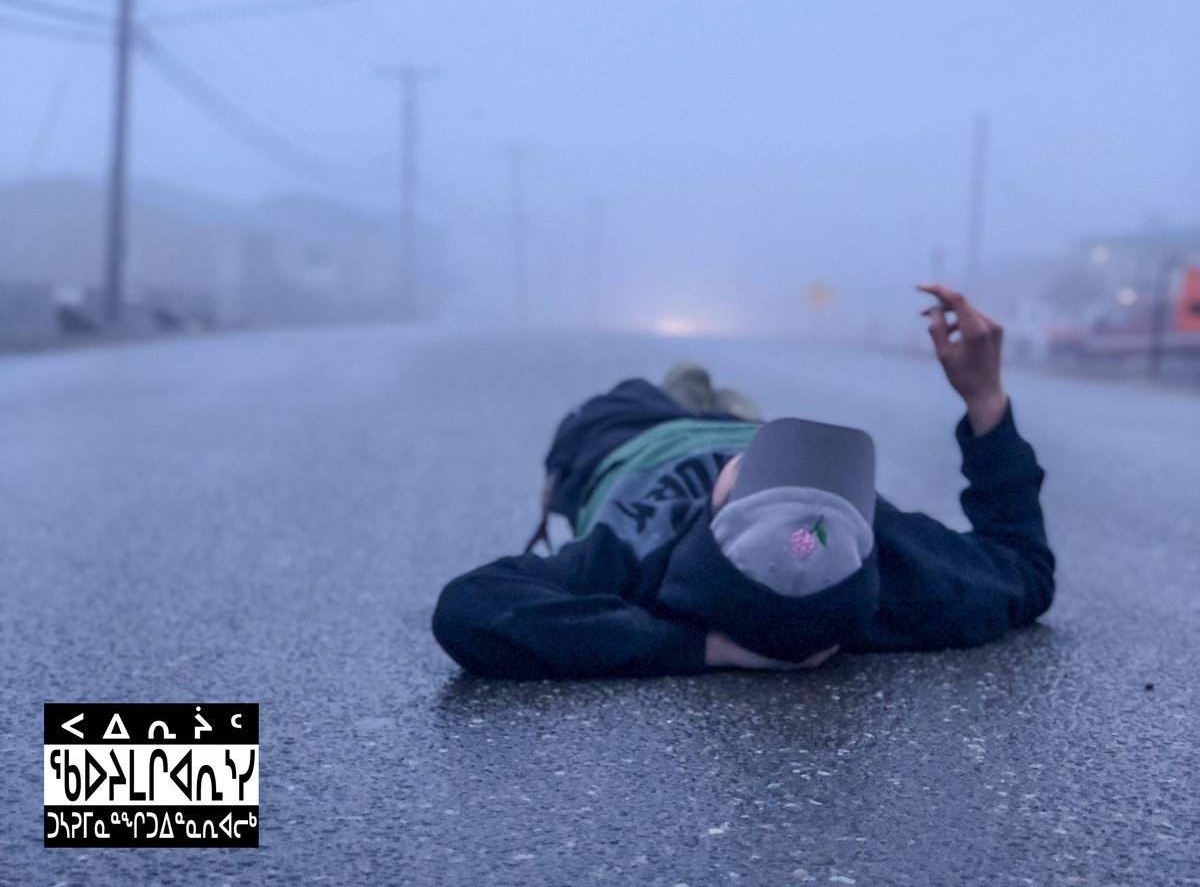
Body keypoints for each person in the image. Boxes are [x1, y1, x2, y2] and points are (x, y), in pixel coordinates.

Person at [431, 284, 1054, 678]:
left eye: (751, 486)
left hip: (634, 434)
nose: (758, 465)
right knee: (739, 410)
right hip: (738, 424)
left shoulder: (638, 562)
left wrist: (703, 650)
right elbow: (1024, 566)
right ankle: (719, 404)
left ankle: (689, 386)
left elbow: (471, 609)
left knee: (678, 378)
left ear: (710, 528)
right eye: (822, 496)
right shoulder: (896, 574)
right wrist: (986, 400)